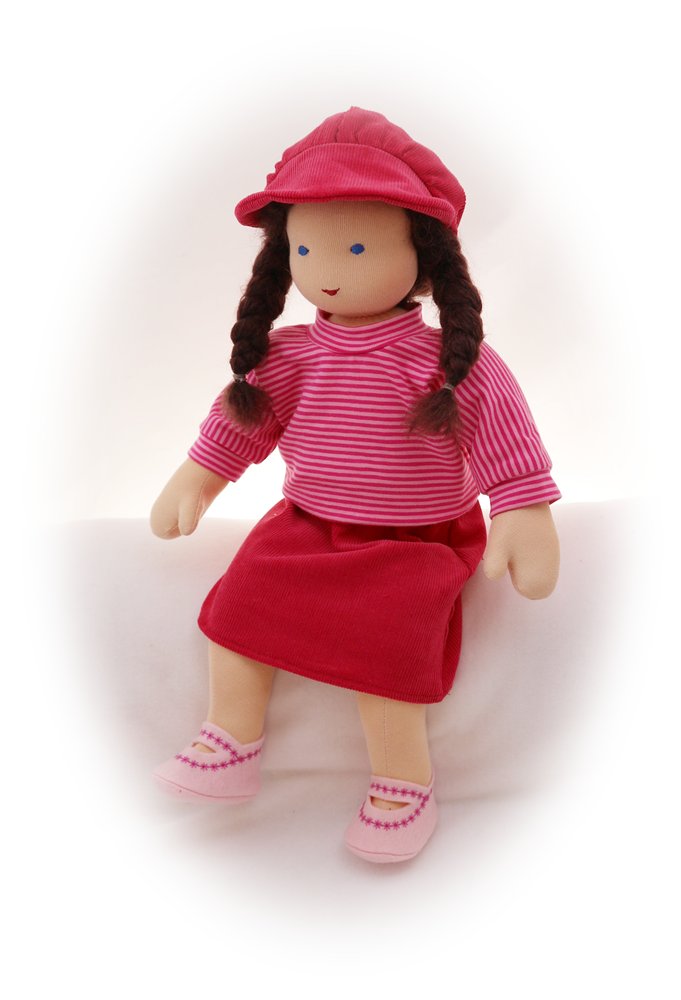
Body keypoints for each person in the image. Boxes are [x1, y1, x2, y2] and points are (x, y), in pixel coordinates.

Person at [150, 107, 561, 863]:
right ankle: (231, 739)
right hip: (306, 525)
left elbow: (503, 433)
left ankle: (404, 782)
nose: (327, 267)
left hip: (415, 541)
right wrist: (199, 475)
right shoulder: (290, 355)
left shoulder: (447, 362)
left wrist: (521, 508)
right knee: (235, 610)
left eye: (359, 246)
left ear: (422, 256)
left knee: (388, 651)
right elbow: (242, 421)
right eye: (305, 248)